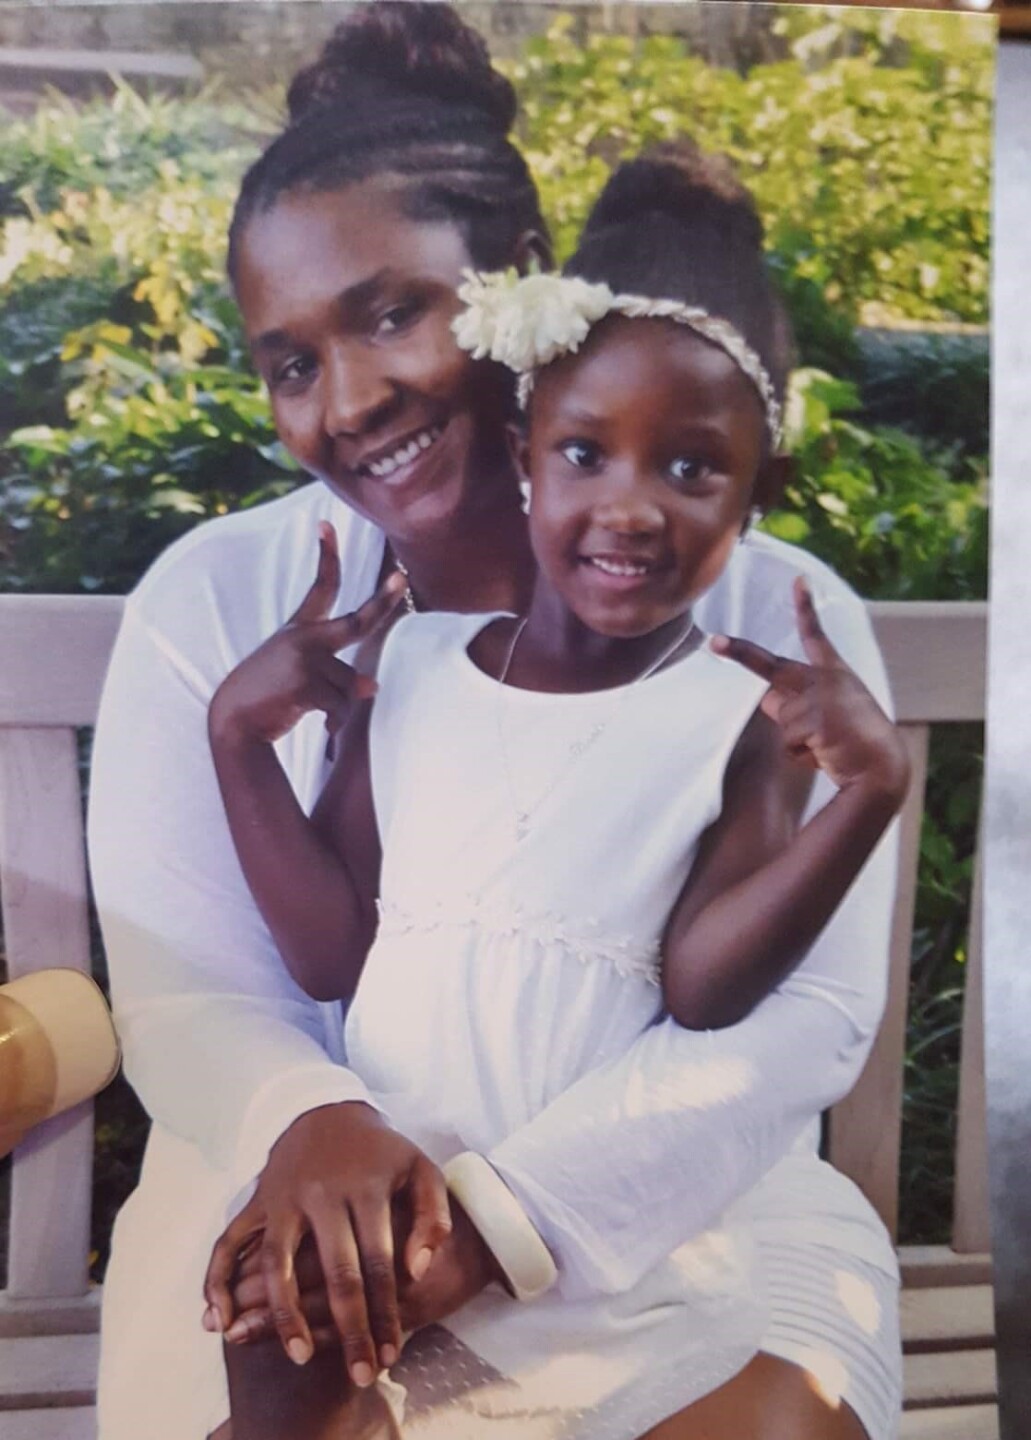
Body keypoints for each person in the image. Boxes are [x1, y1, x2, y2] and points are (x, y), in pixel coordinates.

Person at [89, 7, 902, 1438]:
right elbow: (191, 984)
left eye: (391, 313)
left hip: (674, 1195)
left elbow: (795, 1018)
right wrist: (313, 1119)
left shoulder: (776, 620)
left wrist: (494, 1222)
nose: (351, 400)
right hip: (282, 1182)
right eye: (292, 363)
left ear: (520, 282)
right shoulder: (220, 603)